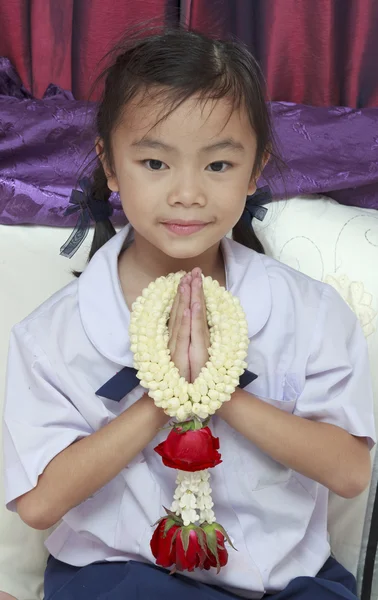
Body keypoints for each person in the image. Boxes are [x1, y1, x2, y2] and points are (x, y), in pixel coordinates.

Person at [2, 27, 375, 600]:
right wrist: (164, 395)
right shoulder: (52, 334)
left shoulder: (310, 311)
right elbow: (38, 503)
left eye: (218, 166)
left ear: (255, 170)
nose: (187, 193)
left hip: (286, 579)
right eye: (154, 162)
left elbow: (350, 473)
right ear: (110, 165)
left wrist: (220, 389)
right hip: (123, 576)